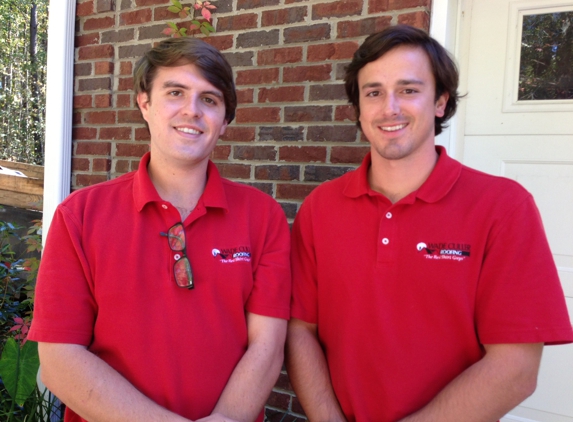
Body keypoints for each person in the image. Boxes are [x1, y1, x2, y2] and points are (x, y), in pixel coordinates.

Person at [286, 25, 573, 422]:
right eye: (373, 92)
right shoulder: (321, 208)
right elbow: (301, 329)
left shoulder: (503, 207)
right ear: (358, 108)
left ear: (440, 101)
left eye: (408, 89)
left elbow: (516, 368)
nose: (390, 107)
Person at [29, 37, 291, 422]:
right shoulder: (80, 215)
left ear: (224, 121)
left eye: (210, 99)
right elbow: (58, 357)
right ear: (145, 103)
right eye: (175, 92)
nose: (192, 111)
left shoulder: (262, 216)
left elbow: (267, 348)